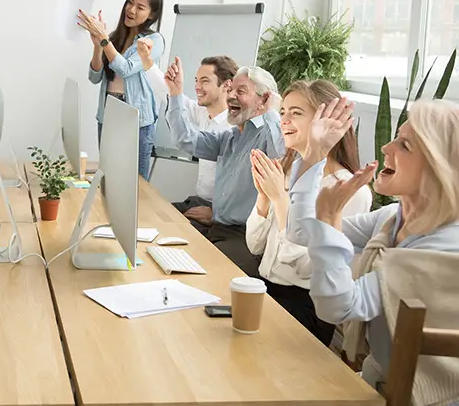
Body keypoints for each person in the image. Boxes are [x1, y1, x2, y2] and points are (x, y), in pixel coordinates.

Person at [287, 98, 459, 397]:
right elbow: (300, 231)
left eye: (404, 145)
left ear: (438, 167)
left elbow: (337, 307)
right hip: (377, 381)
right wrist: (316, 151)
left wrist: (329, 218)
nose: (385, 148)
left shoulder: (445, 246)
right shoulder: (393, 217)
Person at [246, 80, 371, 346]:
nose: (285, 120)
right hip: (265, 289)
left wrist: (280, 199)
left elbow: (307, 266)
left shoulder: (348, 190)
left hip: (305, 309)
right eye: (283, 112)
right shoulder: (286, 169)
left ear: (325, 120)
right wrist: (264, 197)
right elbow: (255, 246)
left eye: (296, 113)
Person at [165, 58, 285, 277]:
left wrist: (272, 112)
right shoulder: (229, 138)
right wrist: (175, 94)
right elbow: (186, 139)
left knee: (199, 271)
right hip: (219, 227)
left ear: (263, 100)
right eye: (231, 90)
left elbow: (281, 155)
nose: (231, 96)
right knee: (165, 233)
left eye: (241, 91)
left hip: (245, 238)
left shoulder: (268, 136)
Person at [138, 46, 236, 229]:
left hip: (219, 213)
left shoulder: (235, 129)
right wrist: (146, 60)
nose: (197, 87)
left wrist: (218, 213)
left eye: (205, 81)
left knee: (164, 228)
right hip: (197, 201)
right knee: (146, 213)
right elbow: (169, 94)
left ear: (227, 85)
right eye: (196, 80)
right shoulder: (202, 112)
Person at [78, 0, 165, 180]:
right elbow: (94, 77)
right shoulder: (114, 38)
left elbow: (125, 69)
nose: (131, 9)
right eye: (130, 3)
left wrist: (103, 39)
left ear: (151, 15)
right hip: (108, 114)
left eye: (140, 7)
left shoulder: (153, 41)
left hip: (137, 121)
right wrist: (98, 45)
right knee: (109, 178)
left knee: (136, 184)